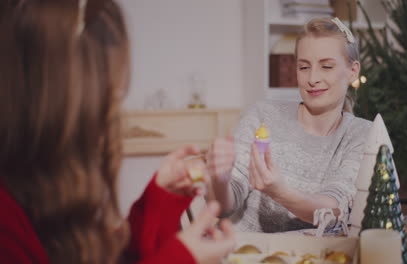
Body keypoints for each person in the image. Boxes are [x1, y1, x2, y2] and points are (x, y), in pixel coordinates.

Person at [0, 1, 234, 263]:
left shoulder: (45, 191)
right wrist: (183, 257)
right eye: (108, 98)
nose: (111, 116)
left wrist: (158, 200)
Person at [205, 17, 372, 232]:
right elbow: (222, 207)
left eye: (326, 66)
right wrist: (220, 179)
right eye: (304, 67)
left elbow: (334, 210)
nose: (312, 78)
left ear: (353, 71)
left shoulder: (362, 134)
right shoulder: (263, 115)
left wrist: (279, 191)